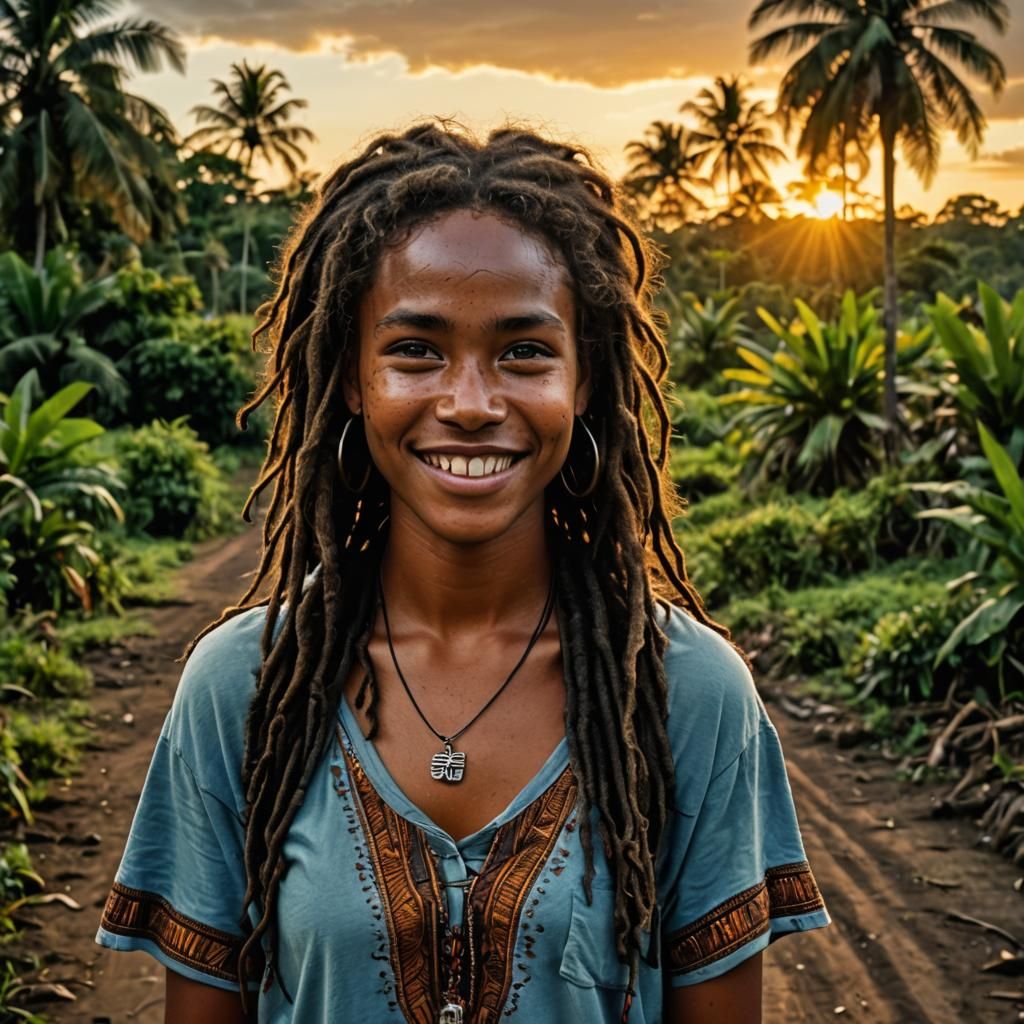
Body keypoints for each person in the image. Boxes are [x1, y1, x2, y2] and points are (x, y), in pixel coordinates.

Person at [96, 121, 830, 1024]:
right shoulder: (242, 688)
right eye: (415, 350)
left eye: (524, 350)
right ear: (353, 377)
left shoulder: (686, 694)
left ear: (585, 379)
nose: (472, 404)